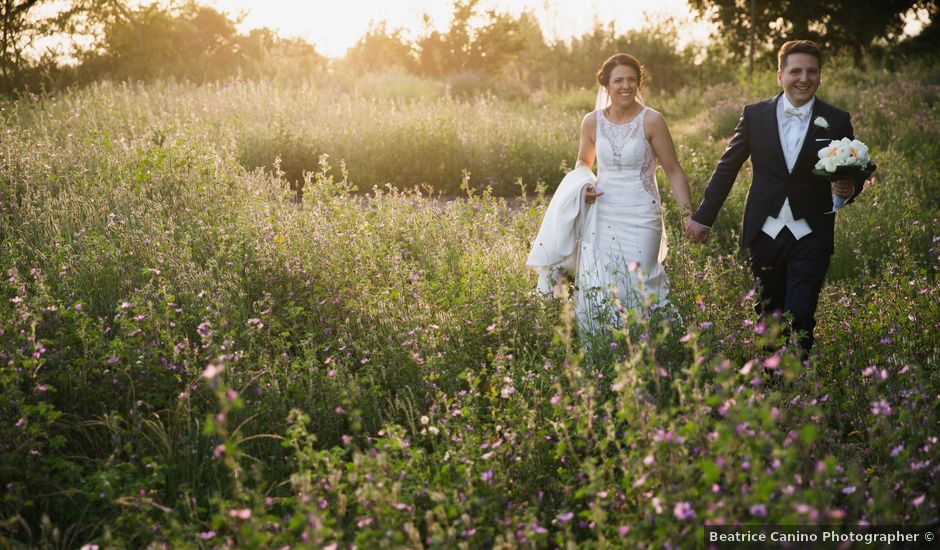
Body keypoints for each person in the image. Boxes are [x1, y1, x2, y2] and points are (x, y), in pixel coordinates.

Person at [686, 40, 868, 358]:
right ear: (780, 75)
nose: (804, 78)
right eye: (795, 71)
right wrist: (704, 216)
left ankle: (798, 388)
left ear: (820, 76)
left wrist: (849, 187)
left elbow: (854, 169)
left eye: (812, 71)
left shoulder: (836, 120)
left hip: (812, 231)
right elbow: (728, 166)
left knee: (801, 316)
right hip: (765, 231)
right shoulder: (755, 115)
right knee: (768, 314)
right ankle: (771, 389)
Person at [527, 53, 695, 336]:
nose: (625, 86)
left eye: (632, 80)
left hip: (643, 214)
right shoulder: (591, 122)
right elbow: (583, 162)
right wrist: (586, 185)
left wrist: (689, 215)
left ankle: (653, 349)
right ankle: (607, 352)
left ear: (639, 83)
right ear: (606, 84)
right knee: (602, 284)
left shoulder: (652, 121)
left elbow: (674, 170)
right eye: (618, 80)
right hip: (603, 214)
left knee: (641, 282)